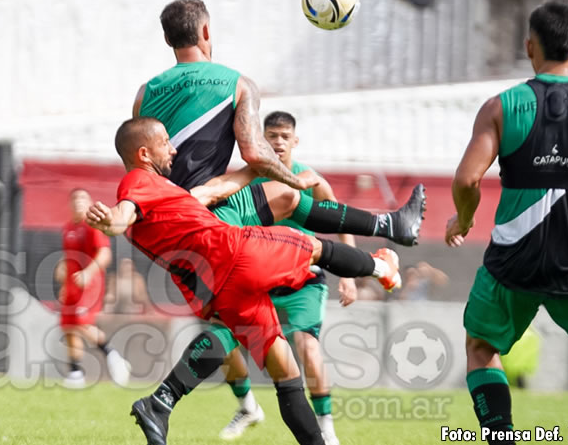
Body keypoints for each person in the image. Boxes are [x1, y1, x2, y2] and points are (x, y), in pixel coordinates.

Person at [87, 117, 402, 445]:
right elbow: (122, 216)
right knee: (312, 246)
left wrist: (261, 167)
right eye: (165, 142)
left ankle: (161, 402)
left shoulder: (161, 194)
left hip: (220, 288)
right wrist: (111, 220)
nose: (173, 149)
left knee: (285, 370)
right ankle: (383, 268)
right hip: (235, 254)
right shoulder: (138, 180)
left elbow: (210, 191)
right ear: (143, 154)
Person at [445, 0, 568, 445]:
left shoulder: (499, 107)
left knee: (481, 347)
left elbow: (467, 179)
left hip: (514, 262)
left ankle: (501, 438)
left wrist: (464, 219)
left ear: (529, 46)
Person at [133, 0, 425, 245]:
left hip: (163, 215)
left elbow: (139, 170)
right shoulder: (236, 83)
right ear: (206, 31)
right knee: (305, 243)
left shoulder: (145, 93)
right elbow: (255, 154)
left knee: (285, 196)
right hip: (204, 212)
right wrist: (296, 180)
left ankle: (390, 225)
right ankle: (379, 248)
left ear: (168, 39)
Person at [216, 111, 361, 444]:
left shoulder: (310, 179)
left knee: (307, 346)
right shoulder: (245, 180)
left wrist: (349, 275)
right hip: (259, 278)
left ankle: (326, 428)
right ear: (261, 140)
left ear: (295, 140)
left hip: (303, 278)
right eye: (272, 136)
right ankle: (247, 407)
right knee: (219, 341)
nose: (278, 142)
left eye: (284, 136)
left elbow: (342, 221)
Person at [55, 188, 130, 388]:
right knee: (68, 325)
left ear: (89, 203)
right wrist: (64, 280)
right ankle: (75, 373)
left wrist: (88, 273)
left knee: (82, 324)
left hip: (89, 286)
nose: (78, 202)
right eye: (75, 198)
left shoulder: (92, 226)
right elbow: (69, 258)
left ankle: (113, 356)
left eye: (83, 198)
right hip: (72, 286)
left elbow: (104, 254)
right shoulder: (68, 228)